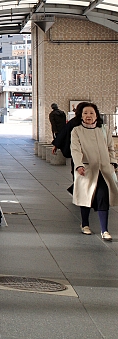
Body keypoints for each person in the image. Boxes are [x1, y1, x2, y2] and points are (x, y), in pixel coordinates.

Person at [70, 102, 118, 241]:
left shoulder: (104, 129)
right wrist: (78, 165)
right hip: (86, 170)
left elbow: (111, 148)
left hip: (104, 169)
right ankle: (85, 224)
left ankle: (105, 230)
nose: (88, 116)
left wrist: (113, 162)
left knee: (103, 196)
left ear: (96, 114)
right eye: (85, 113)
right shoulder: (77, 131)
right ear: (81, 115)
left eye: (91, 113)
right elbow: (75, 150)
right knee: (87, 196)